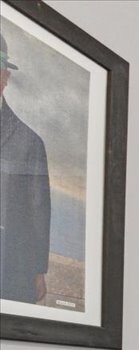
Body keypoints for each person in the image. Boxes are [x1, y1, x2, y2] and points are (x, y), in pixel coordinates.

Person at [0, 31, 51, 305]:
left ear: (5, 78)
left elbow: (39, 210)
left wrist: (38, 270)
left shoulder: (29, 142)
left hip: (9, 274)